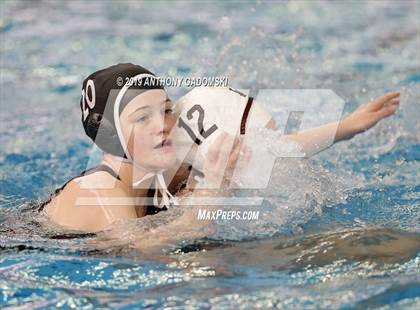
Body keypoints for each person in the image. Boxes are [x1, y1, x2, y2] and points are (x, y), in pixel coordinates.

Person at [41, 62, 400, 234]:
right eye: (141, 118)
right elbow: (141, 256)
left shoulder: (157, 162)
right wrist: (212, 189)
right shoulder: (99, 192)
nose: (164, 124)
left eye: (166, 110)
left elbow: (264, 150)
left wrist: (346, 127)